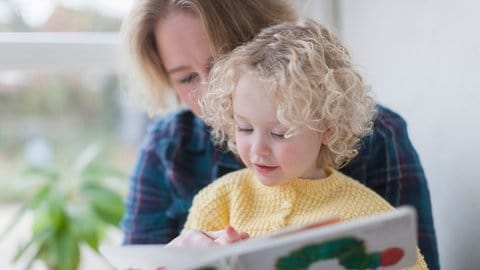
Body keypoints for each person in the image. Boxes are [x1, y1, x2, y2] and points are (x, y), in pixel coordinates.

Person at [119, 0, 439, 268]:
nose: (211, 92)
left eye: (223, 62)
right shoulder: (170, 150)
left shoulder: (379, 135)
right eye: (187, 78)